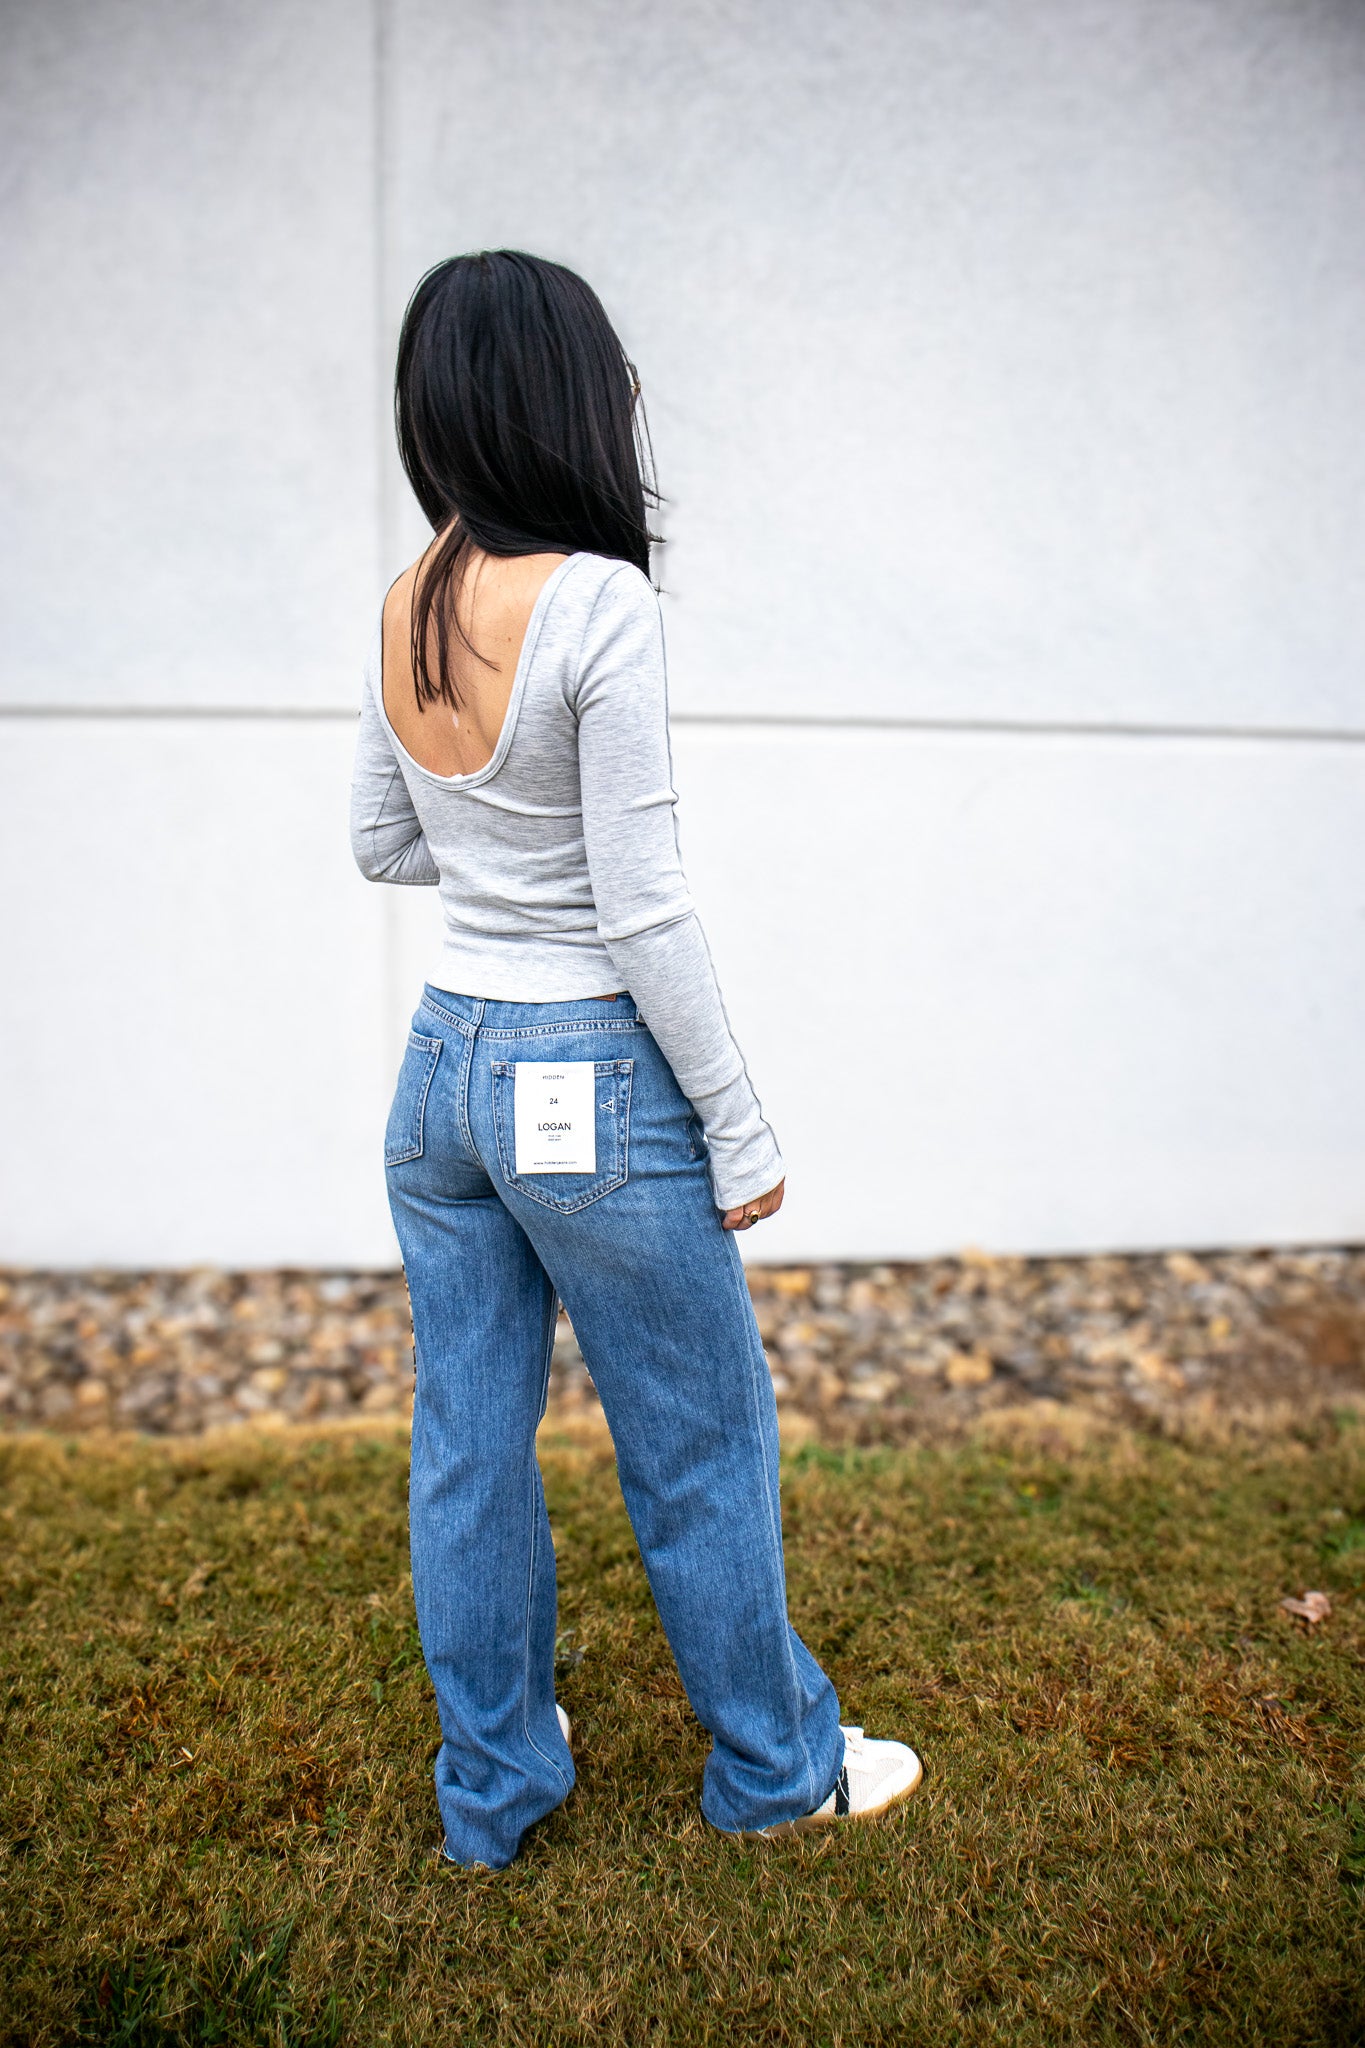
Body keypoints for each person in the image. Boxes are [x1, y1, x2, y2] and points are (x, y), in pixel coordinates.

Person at [350, 250, 922, 1869]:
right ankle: (772, 1774)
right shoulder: (599, 603)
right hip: (583, 1074)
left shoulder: (404, 606)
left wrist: (490, 864)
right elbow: (645, 910)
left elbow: (380, 840)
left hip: (441, 1070)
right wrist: (738, 1132)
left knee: (468, 1437)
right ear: (565, 403)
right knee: (698, 1430)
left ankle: (494, 1791)